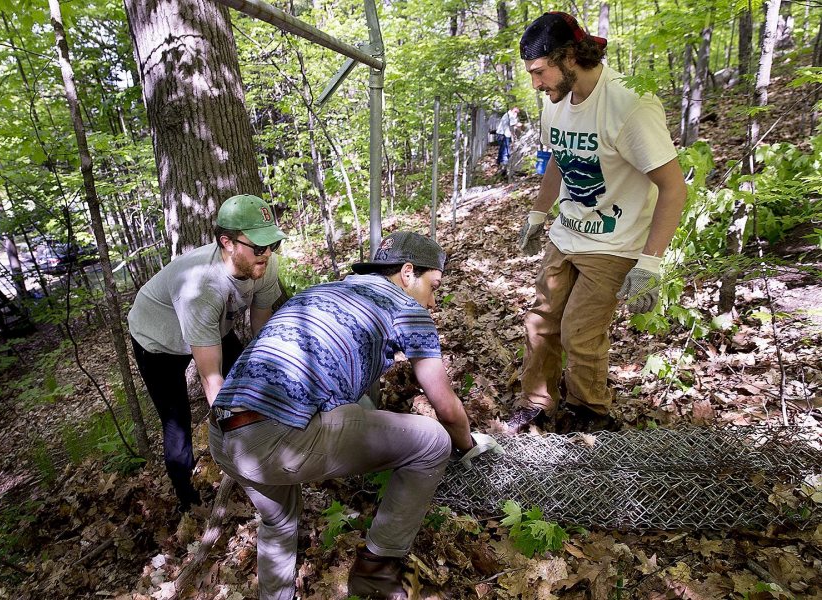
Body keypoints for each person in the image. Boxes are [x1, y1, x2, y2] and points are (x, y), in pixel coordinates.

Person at [208, 231, 503, 600]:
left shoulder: (321, 291)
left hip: (224, 435)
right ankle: (377, 571)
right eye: (434, 286)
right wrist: (469, 445)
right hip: (277, 437)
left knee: (278, 520)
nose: (433, 300)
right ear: (408, 273)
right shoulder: (408, 309)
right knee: (432, 441)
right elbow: (445, 406)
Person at [511, 12, 687, 431]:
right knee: (540, 321)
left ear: (570, 57)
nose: (535, 84)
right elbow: (558, 156)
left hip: (614, 241)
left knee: (579, 333)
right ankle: (537, 403)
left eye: (539, 72)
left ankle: (590, 411)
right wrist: (539, 213)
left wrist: (650, 264)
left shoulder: (629, 104)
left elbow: (673, 187)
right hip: (567, 233)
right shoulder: (555, 105)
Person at [127, 194, 286, 513]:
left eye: (272, 245)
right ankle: (188, 501)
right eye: (258, 246)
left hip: (214, 327)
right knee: (177, 422)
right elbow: (211, 378)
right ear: (227, 242)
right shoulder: (201, 287)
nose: (267, 253)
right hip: (158, 341)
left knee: (246, 376)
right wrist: (240, 439)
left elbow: (262, 325)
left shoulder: (263, 265)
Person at [495, 106, 521, 177]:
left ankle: (500, 165)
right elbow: (513, 125)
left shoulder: (508, 115)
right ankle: (504, 168)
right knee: (505, 151)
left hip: (501, 134)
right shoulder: (510, 115)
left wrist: (513, 135)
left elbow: (511, 127)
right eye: (516, 111)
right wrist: (520, 125)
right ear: (513, 109)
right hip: (503, 134)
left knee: (502, 150)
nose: (516, 113)